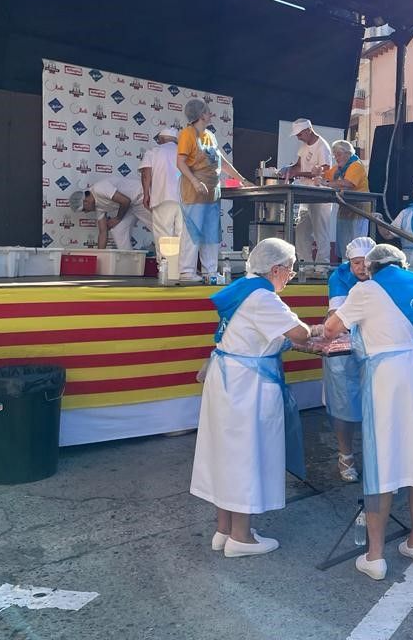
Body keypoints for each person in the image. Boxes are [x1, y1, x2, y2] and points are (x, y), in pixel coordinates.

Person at [315, 244, 413, 581]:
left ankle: (375, 555)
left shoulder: (366, 289)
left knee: (383, 460)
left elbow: (333, 328)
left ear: (373, 267)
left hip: (390, 377)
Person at [189, 238, 312, 558]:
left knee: (224, 452)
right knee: (245, 454)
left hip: (228, 377)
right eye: (291, 269)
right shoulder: (264, 298)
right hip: (248, 385)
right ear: (276, 269)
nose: (292, 275)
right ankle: (241, 538)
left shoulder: (244, 287)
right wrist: (324, 333)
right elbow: (300, 334)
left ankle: (224, 529)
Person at [176, 98, 250, 283]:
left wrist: (242, 180)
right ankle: (186, 271)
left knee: (211, 233)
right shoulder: (187, 134)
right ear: (201, 115)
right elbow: (180, 162)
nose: (210, 114)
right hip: (194, 192)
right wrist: (194, 181)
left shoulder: (210, 135)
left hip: (211, 193)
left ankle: (210, 271)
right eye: (208, 111)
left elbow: (223, 163)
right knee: (193, 231)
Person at [321, 236, 376, 482]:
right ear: (349, 263)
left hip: (376, 344)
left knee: (377, 404)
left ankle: (379, 455)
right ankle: (346, 455)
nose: (362, 268)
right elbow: (337, 315)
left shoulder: (384, 273)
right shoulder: (339, 277)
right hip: (344, 346)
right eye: (356, 263)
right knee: (344, 403)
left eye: (366, 262)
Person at [280, 118, 333, 274]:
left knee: (320, 231)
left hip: (320, 193)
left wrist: (297, 172)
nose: (298, 137)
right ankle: (306, 265)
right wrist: (288, 169)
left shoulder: (322, 146)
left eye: (300, 134)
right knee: (302, 229)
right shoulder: (304, 146)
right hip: (306, 193)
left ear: (309, 130)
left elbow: (324, 170)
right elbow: (298, 165)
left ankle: (322, 266)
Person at [69, 177, 152, 250]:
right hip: (131, 206)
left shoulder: (99, 189)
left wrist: (117, 218)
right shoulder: (98, 208)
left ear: (86, 201)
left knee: (157, 227)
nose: (86, 212)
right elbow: (103, 232)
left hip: (142, 197)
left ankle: (163, 260)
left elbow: (125, 201)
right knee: (118, 230)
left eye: (84, 209)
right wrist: (99, 256)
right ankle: (128, 261)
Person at [321, 140, 370, 255]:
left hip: (359, 208)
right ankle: (345, 263)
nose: (336, 158)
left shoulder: (356, 165)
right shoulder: (338, 168)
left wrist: (327, 183)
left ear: (348, 153)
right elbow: (326, 175)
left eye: (339, 154)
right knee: (344, 241)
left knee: (357, 241)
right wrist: (318, 172)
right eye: (335, 155)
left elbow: (348, 183)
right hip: (345, 206)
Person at [138, 126, 182, 242]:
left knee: (164, 236)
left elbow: (146, 174)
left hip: (162, 198)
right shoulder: (184, 153)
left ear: (161, 139)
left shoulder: (153, 152)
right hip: (184, 200)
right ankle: (182, 261)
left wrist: (146, 195)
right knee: (182, 237)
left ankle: (166, 260)